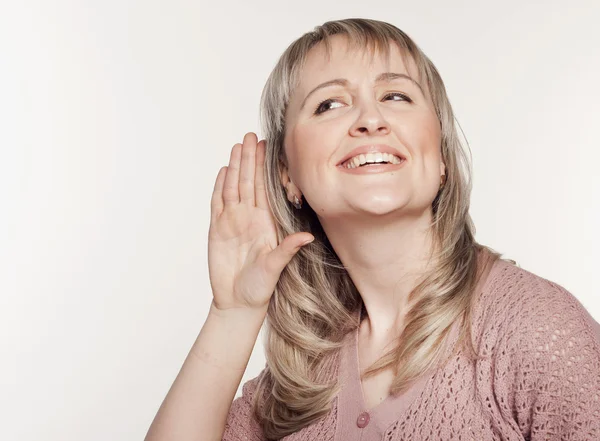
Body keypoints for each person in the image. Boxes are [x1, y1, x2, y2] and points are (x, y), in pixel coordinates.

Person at [145, 18, 600, 441]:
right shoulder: (300, 383)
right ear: (287, 175)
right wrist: (233, 315)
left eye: (396, 96)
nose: (370, 119)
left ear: (440, 155)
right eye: (329, 104)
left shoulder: (534, 329)